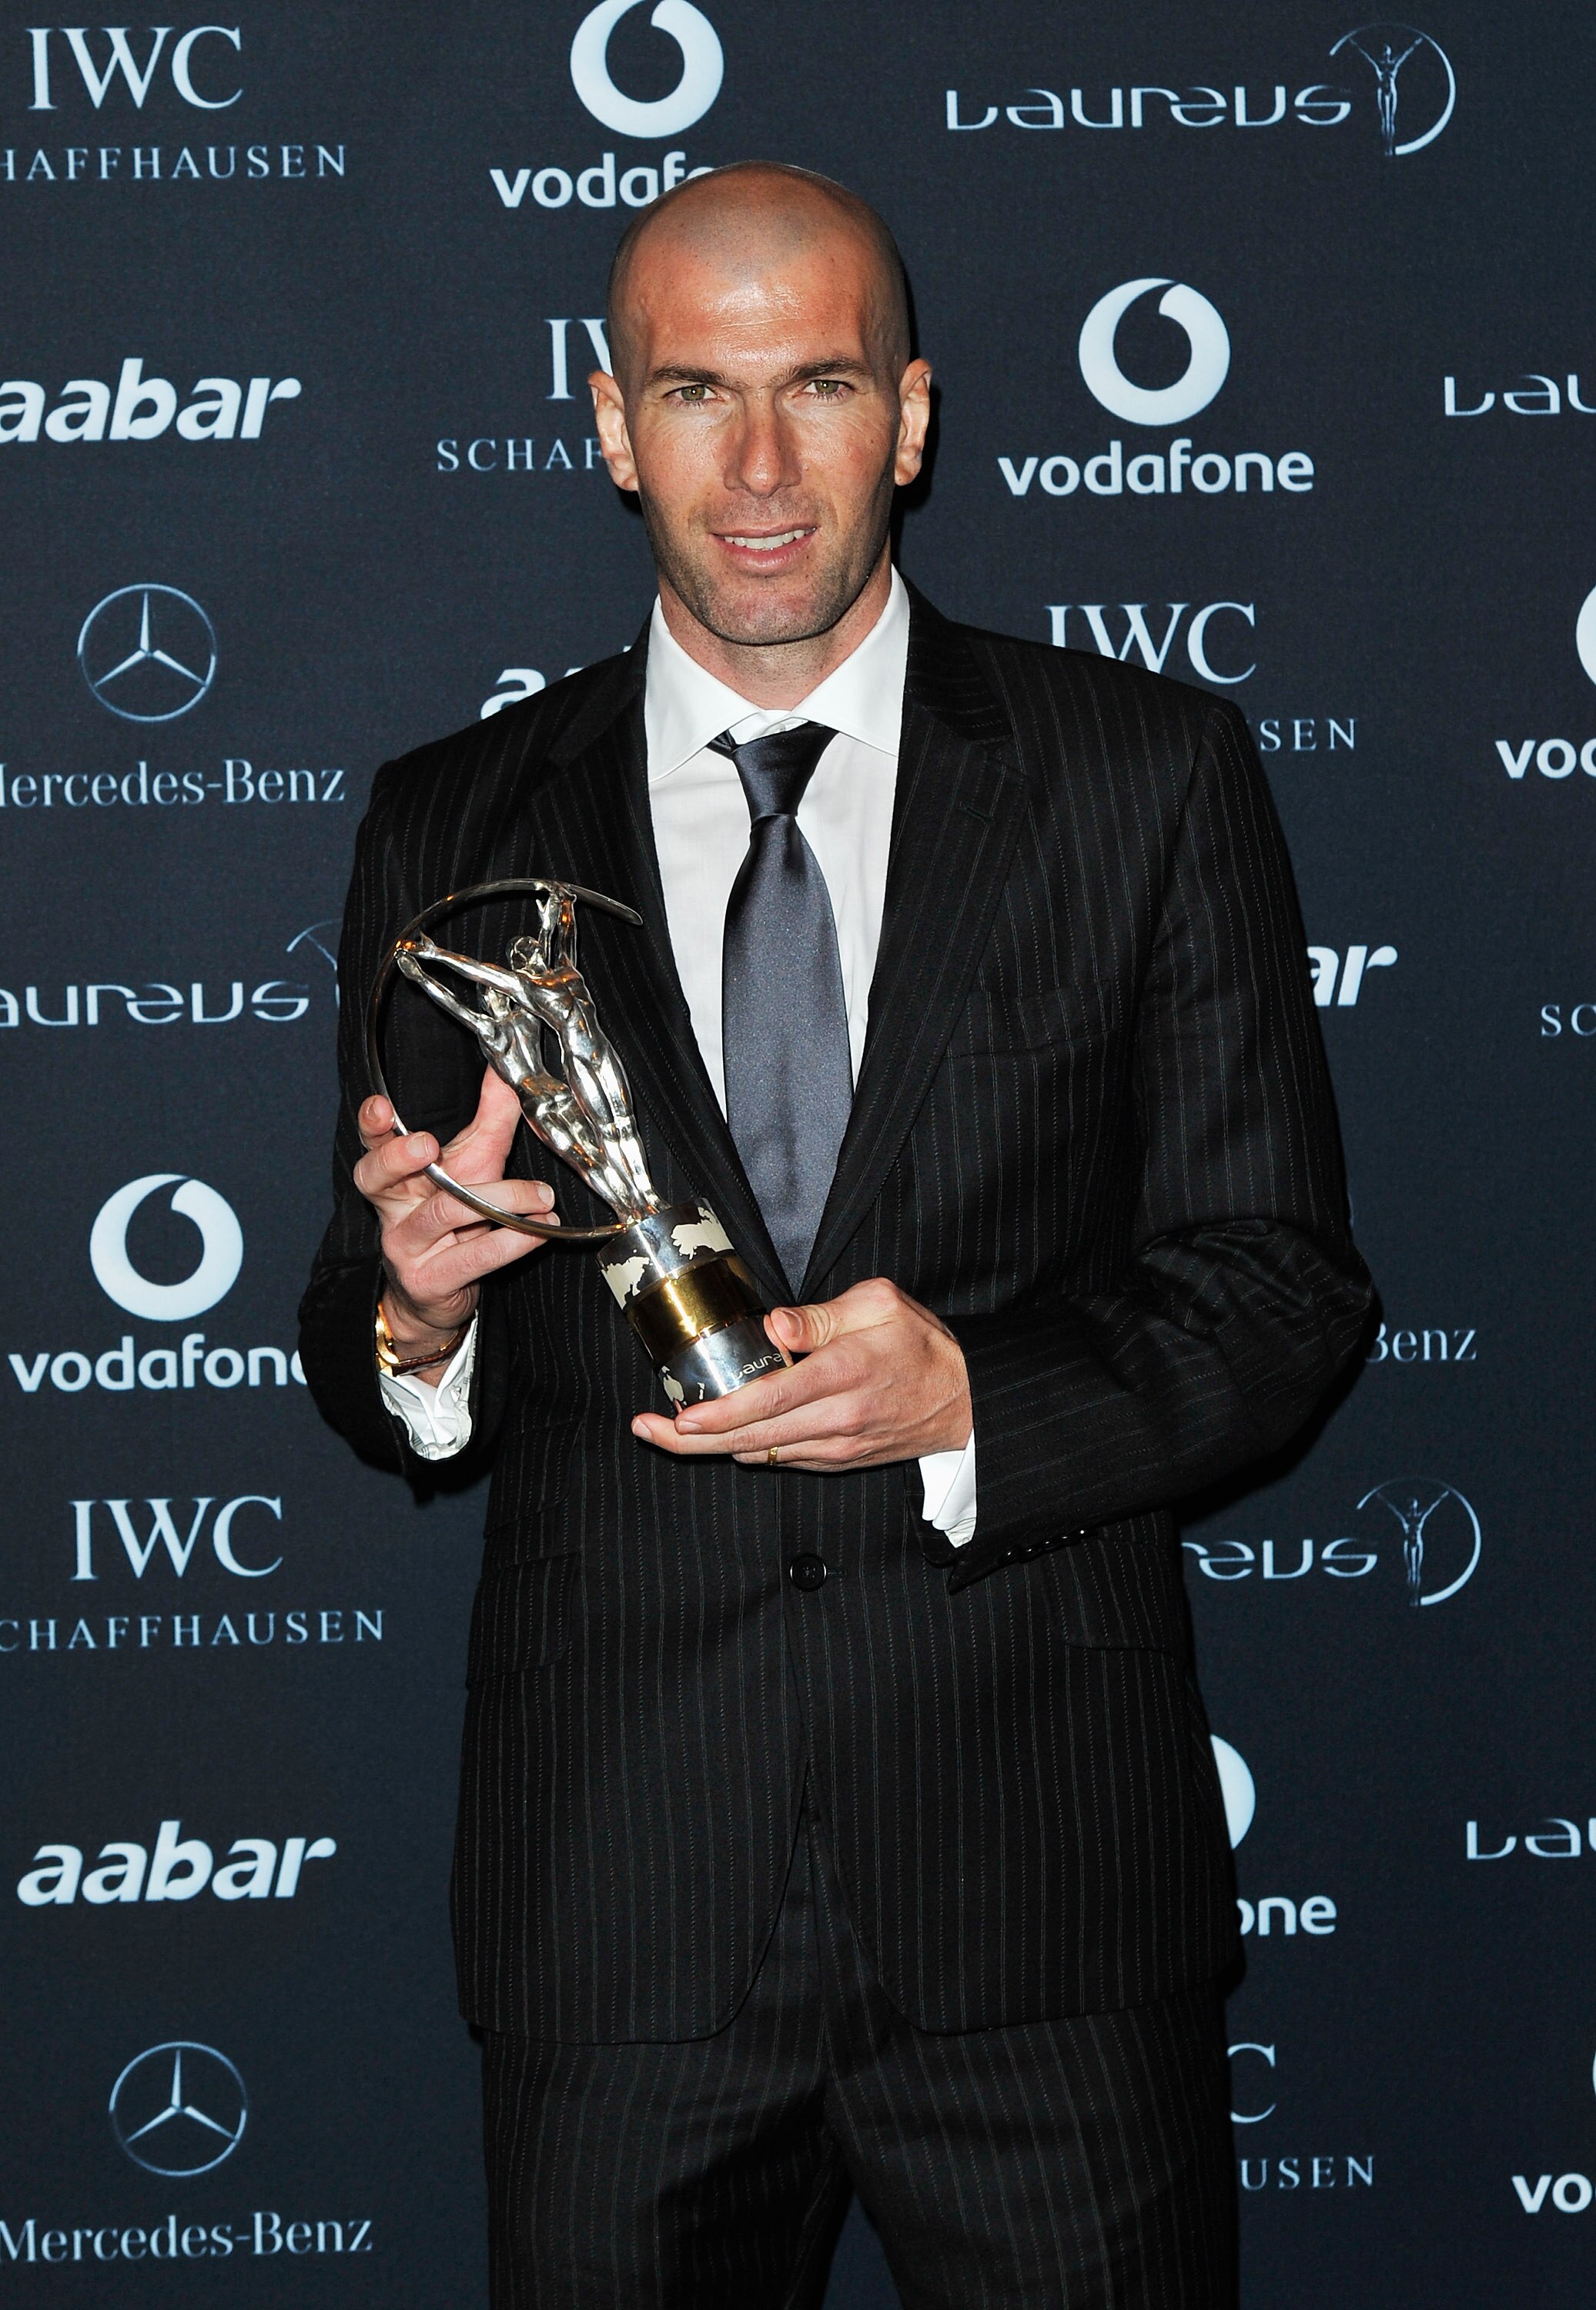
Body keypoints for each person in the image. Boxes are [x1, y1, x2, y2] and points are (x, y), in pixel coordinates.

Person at [299, 162, 1372, 2309]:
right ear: (610, 426)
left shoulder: (1139, 774)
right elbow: (365, 1334)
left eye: (819, 387)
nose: (761, 466)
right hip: (621, 1920)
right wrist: (416, 1315)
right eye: (696, 392)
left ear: (914, 413)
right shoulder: (451, 819)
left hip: (1039, 1917)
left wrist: (983, 1398)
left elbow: (1278, 1286)